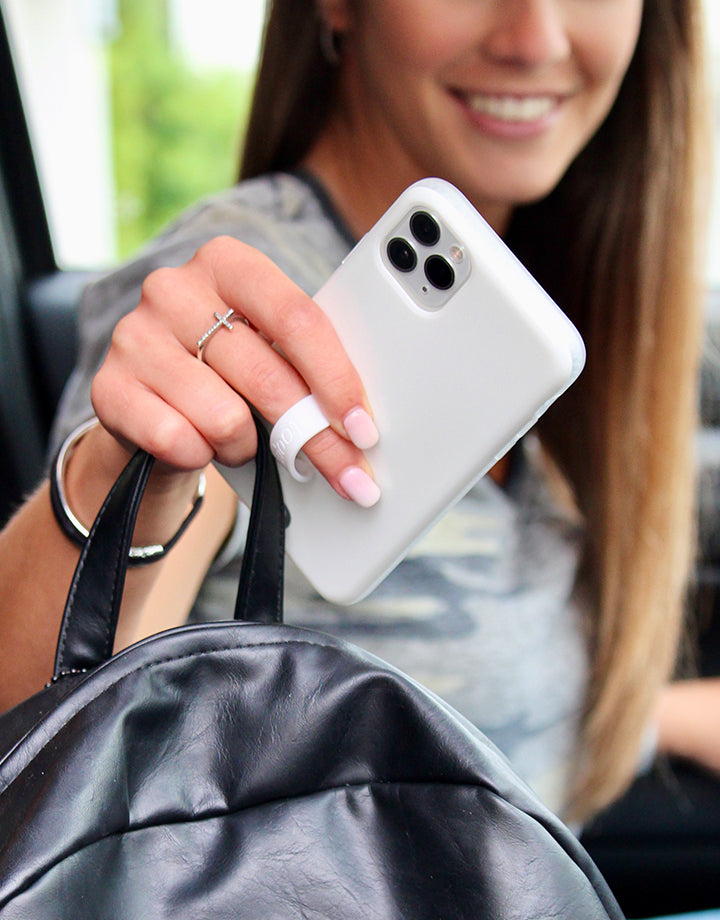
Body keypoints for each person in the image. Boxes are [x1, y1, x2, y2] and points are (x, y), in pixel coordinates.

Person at [0, 0, 717, 831]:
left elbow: (470, 698)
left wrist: (660, 717)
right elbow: (42, 751)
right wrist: (125, 473)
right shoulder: (243, 306)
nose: (535, 38)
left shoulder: (540, 307)